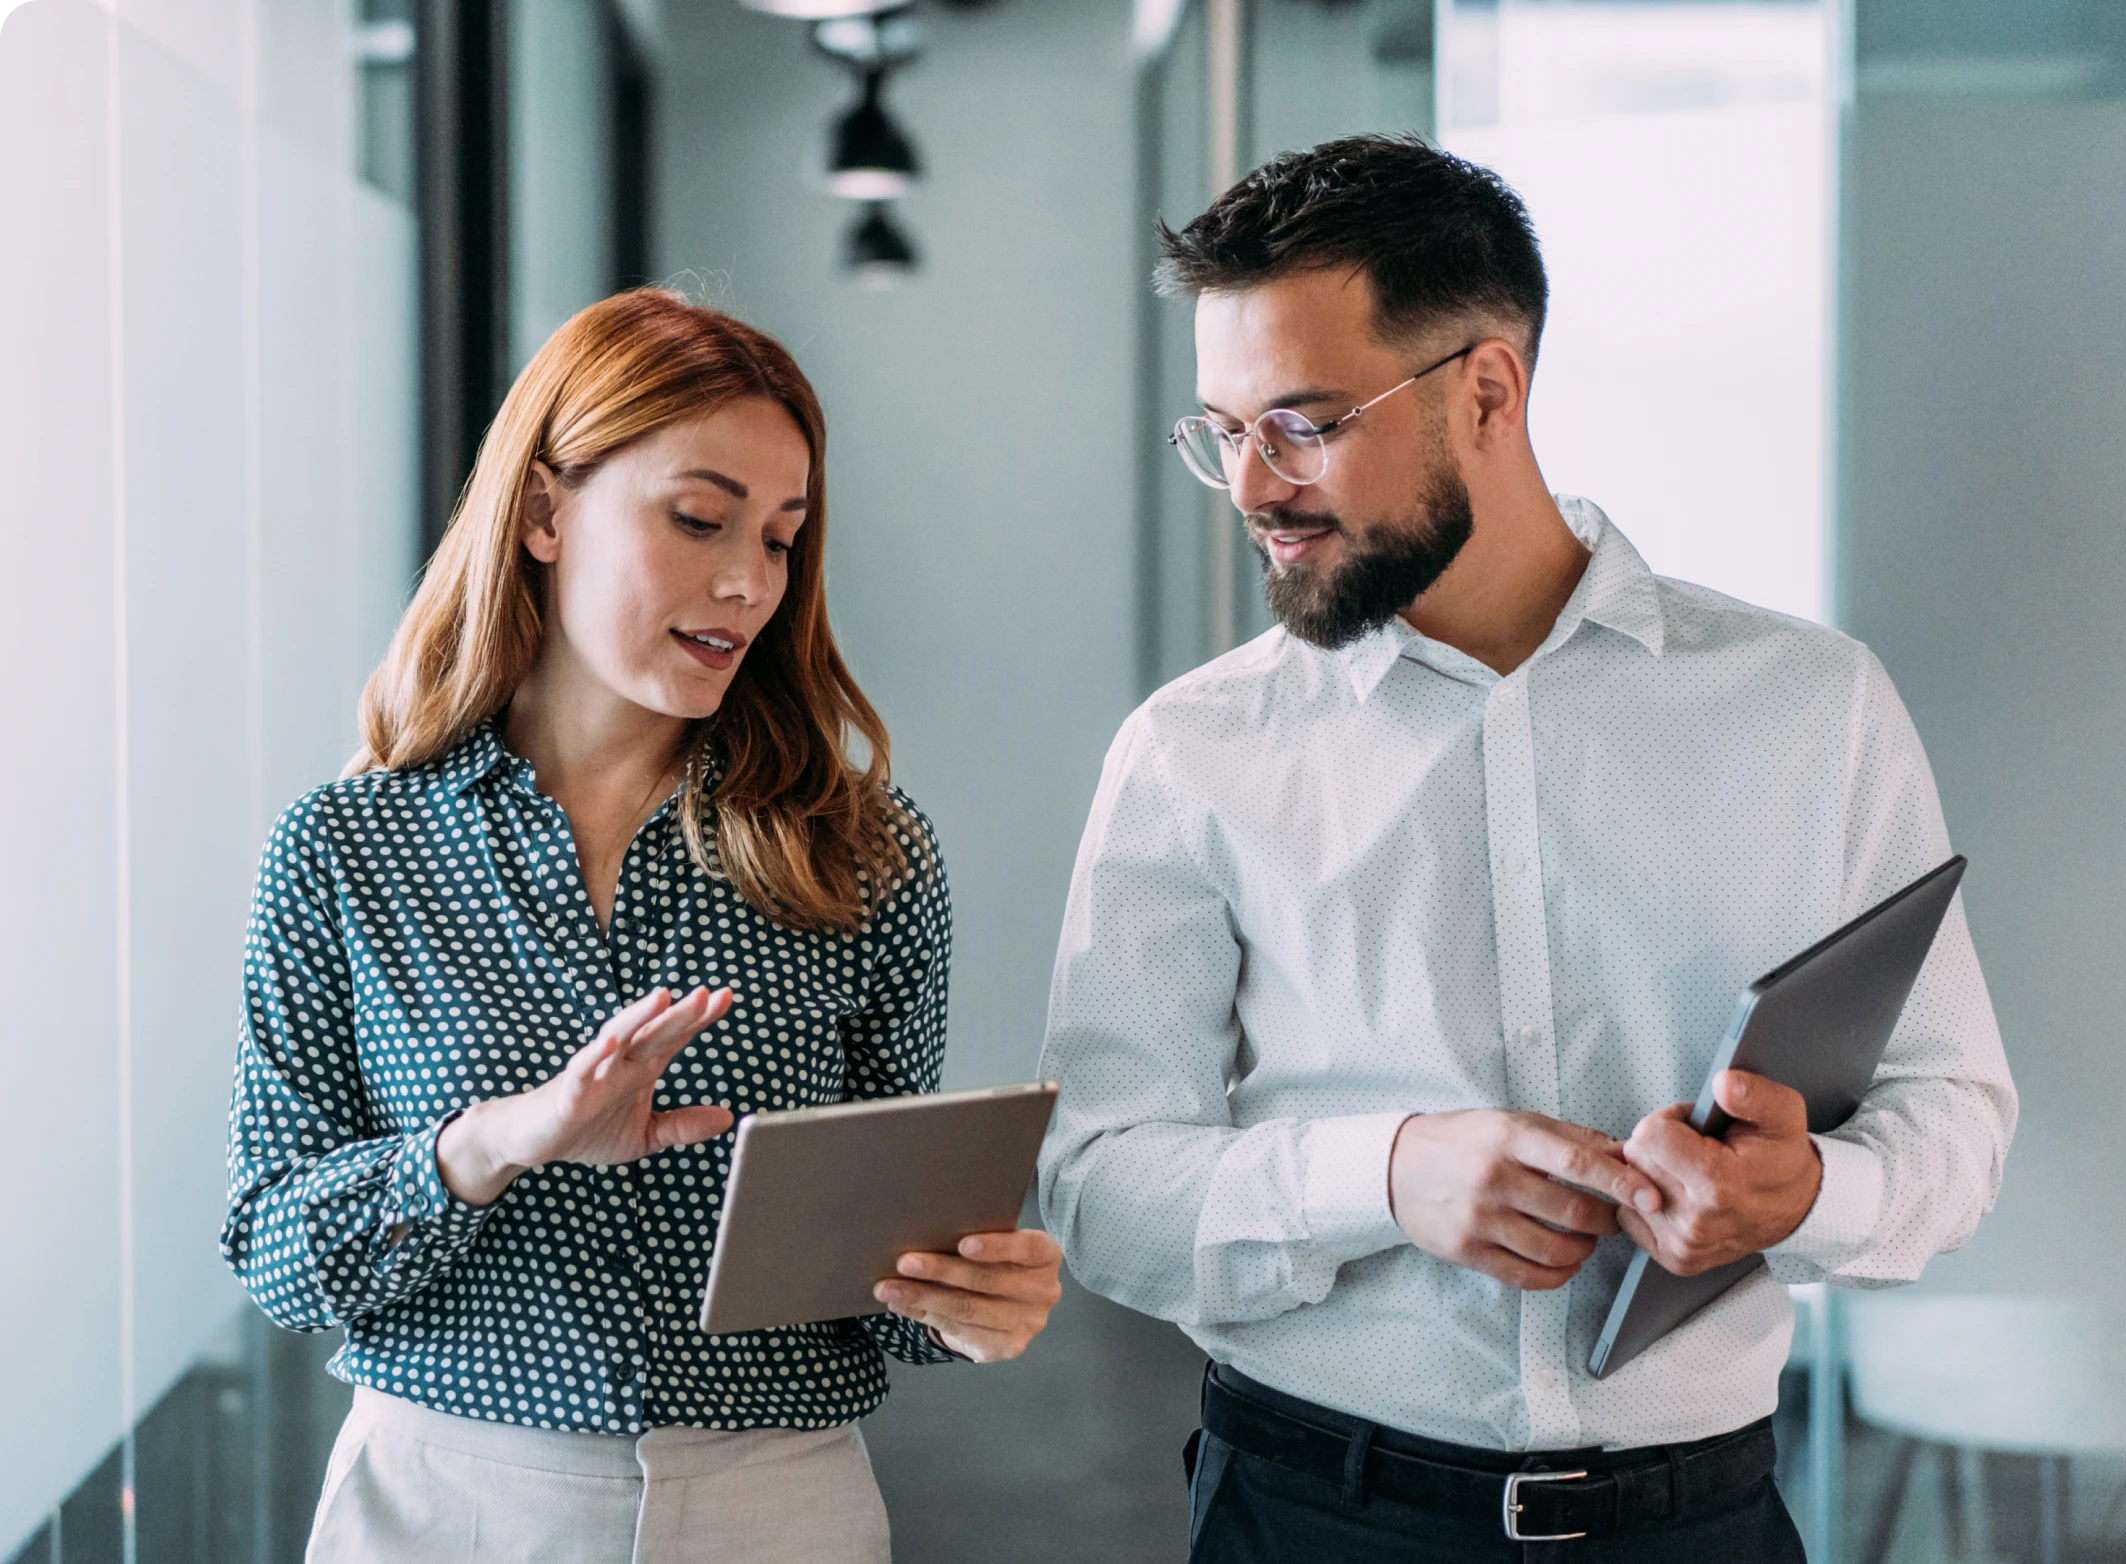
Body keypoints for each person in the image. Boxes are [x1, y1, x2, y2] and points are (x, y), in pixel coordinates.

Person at [1037, 135, 2015, 1561]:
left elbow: (1956, 1116)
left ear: (1488, 389)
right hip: (1317, 1519)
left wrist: (1807, 1195)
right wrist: (1385, 1176)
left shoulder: (1811, 706)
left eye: (1302, 423)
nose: (1250, 485)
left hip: (1707, 1522)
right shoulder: (1194, 751)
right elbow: (1096, 1182)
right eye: (1221, 429)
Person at [222, 288, 1062, 1564]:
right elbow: (275, 1253)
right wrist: (495, 1142)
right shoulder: (350, 848)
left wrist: (967, 1303)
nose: (748, 581)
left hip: (774, 1508)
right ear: (547, 510)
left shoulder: (866, 854)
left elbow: (885, 1291)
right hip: (444, 1504)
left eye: (781, 538)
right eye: (697, 518)